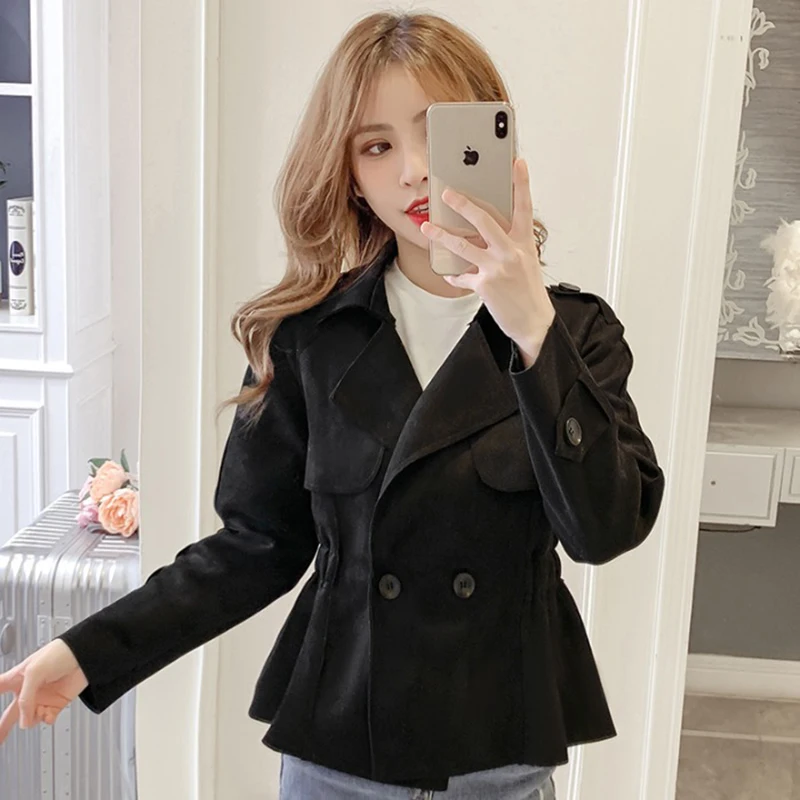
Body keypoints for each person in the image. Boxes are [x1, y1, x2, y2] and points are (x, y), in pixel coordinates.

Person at [0, 10, 665, 799]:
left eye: (436, 133)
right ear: (350, 174)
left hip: (500, 751)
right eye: (376, 147)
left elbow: (603, 531)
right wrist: (89, 651)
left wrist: (531, 332)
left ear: (492, 138)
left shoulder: (575, 332)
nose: (413, 171)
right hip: (341, 751)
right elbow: (253, 547)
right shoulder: (309, 340)